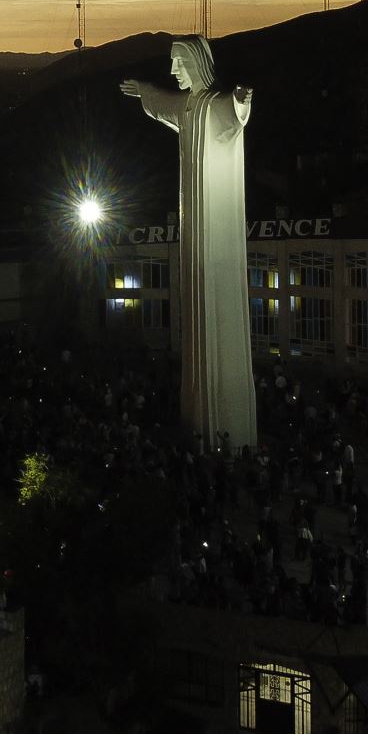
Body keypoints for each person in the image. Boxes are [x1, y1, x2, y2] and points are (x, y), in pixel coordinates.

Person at [120, 37, 256, 450]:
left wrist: (241, 102)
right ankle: (198, 423)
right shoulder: (186, 107)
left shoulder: (214, 104)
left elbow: (236, 116)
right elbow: (163, 101)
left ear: (197, 62)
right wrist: (144, 91)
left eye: (179, 63)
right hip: (192, 217)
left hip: (215, 223)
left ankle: (225, 432)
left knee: (215, 302)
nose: (174, 71)